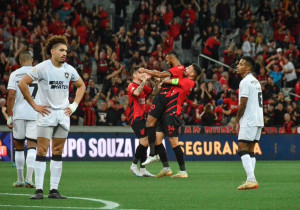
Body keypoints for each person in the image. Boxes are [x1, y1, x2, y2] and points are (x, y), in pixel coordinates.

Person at [18, 35, 86, 199]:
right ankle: (39, 190)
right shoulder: (42, 67)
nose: (64, 53)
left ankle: (54, 190)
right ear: (52, 51)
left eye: (66, 51)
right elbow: (22, 84)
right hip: (46, 115)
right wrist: (34, 105)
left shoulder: (69, 69)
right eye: (61, 50)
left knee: (58, 151)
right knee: (41, 150)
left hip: (63, 115)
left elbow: (81, 86)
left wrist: (74, 105)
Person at [139, 54, 201, 178]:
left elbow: (168, 80)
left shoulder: (189, 82)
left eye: (189, 68)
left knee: (174, 142)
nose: (186, 68)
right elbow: (167, 81)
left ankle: (183, 171)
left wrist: (155, 74)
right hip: (166, 113)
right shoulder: (183, 79)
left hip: (173, 113)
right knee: (157, 139)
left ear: (193, 74)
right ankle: (166, 167)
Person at [6, 51, 38, 188]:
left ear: (20, 61)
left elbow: (11, 95)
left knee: (19, 146)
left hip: (18, 114)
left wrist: (9, 116)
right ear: (32, 60)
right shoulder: (39, 72)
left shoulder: (15, 74)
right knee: (32, 145)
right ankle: (30, 179)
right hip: (34, 113)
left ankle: (20, 179)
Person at [233, 56, 264, 190]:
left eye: (241, 64)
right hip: (258, 119)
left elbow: (243, 103)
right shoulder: (256, 81)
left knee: (242, 147)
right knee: (250, 149)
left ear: (248, 68)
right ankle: (250, 179)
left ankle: (251, 179)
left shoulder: (245, 81)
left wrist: (237, 120)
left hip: (249, 119)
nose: (237, 66)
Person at [128, 67, 154, 177]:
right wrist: (144, 81)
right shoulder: (131, 86)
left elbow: (154, 92)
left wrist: (152, 79)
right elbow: (137, 93)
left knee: (145, 142)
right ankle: (134, 166)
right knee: (144, 142)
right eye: (140, 73)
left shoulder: (143, 86)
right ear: (134, 75)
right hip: (135, 118)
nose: (142, 74)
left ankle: (143, 169)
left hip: (143, 117)